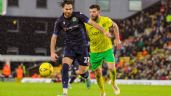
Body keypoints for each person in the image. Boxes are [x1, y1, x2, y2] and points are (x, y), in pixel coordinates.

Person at [50, 1, 110, 96]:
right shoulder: (59, 21)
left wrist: (104, 31)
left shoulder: (78, 16)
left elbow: (92, 23)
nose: (69, 11)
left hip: (82, 47)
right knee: (65, 66)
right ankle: (65, 93)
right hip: (69, 47)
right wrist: (52, 52)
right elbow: (54, 37)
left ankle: (86, 76)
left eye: (70, 9)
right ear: (62, 9)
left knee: (82, 71)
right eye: (66, 9)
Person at [85, 4, 121, 96]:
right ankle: (102, 91)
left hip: (107, 49)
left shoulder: (105, 20)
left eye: (94, 11)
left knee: (112, 68)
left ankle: (113, 83)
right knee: (97, 73)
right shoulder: (87, 23)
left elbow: (115, 26)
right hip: (94, 51)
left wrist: (117, 39)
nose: (91, 14)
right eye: (90, 12)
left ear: (98, 12)